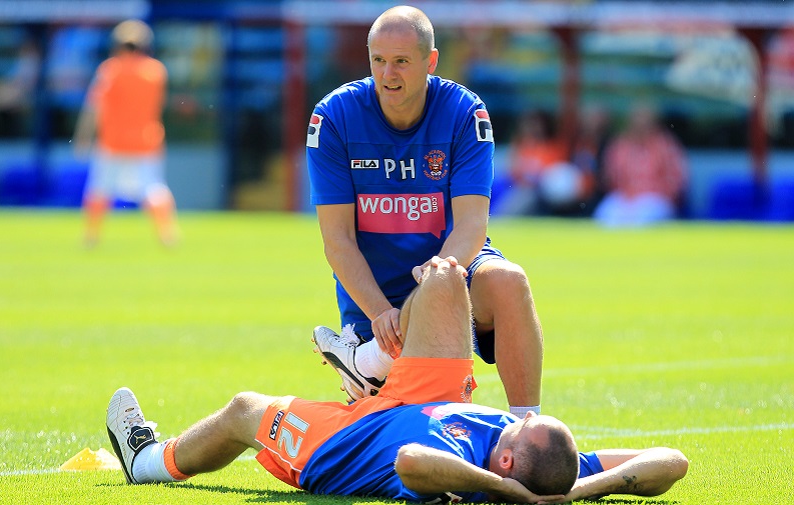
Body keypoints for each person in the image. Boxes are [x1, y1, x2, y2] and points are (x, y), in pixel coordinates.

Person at [106, 257, 688, 502]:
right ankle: (370, 367)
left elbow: (410, 459)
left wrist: (509, 493)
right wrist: (568, 492)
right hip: (425, 398)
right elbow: (672, 460)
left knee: (242, 409)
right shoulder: (552, 468)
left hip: (347, 440)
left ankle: (149, 460)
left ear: (505, 464)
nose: (518, 420)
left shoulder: (456, 464)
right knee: (443, 279)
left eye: (516, 431)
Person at [306, 5, 543, 419]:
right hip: (375, 302)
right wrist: (381, 312)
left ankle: (529, 430)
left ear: (430, 61)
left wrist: (437, 279)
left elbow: (471, 225)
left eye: (401, 62)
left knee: (508, 280)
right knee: (417, 431)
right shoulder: (334, 117)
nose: (387, 75)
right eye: (378, 61)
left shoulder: (465, 113)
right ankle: (373, 358)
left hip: (449, 270)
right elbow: (337, 241)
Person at [72, 19, 178, 247]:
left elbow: (94, 107)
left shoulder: (110, 70)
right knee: (154, 189)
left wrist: (83, 137)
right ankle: (167, 234)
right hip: (147, 141)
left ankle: (91, 236)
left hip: (113, 142)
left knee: (100, 189)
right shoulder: (156, 71)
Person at [593, 103, 687, 227]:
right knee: (605, 214)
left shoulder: (666, 145)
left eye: (644, 120)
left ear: (654, 122)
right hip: (625, 198)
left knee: (641, 217)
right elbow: (610, 178)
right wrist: (628, 195)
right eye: (636, 119)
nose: (640, 124)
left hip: (655, 199)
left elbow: (676, 182)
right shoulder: (620, 144)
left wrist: (647, 193)